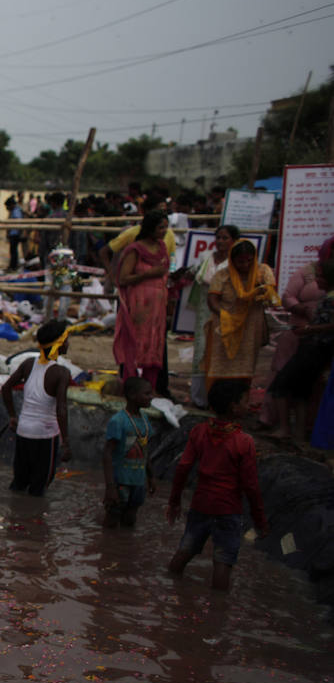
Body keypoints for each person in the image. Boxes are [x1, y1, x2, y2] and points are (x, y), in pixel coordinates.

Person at [166, 379, 268, 591]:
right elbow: (250, 485)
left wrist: (174, 501)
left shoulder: (199, 431)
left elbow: (183, 467)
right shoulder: (244, 441)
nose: (248, 406)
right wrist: (260, 521)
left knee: (185, 551)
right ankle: (217, 612)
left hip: (201, 505)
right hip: (228, 510)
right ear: (234, 405)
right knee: (223, 561)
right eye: (245, 401)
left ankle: (167, 589)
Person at [261, 235, 334, 427]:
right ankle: (271, 419)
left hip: (318, 340)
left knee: (310, 384)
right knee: (281, 372)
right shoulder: (307, 271)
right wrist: (302, 310)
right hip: (298, 331)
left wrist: (312, 327)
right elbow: (287, 297)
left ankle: (307, 426)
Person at [2, 319, 73, 497]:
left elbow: (5, 388)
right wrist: (66, 442)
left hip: (23, 431)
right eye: (66, 340)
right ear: (59, 344)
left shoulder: (28, 364)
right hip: (45, 436)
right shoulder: (61, 373)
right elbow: (61, 409)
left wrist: (12, 416)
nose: (68, 344)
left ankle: (15, 517)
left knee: (19, 482)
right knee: (39, 486)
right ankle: (32, 520)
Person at [111, 209, 172, 392]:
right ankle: (131, 387)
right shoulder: (135, 250)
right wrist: (149, 274)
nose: (164, 231)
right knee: (135, 342)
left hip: (157, 307)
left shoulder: (162, 247)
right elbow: (123, 279)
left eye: (166, 227)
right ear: (151, 228)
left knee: (154, 344)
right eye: (161, 227)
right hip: (139, 305)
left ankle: (149, 388)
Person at [204, 238, 275, 390]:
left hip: (251, 327)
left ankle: (240, 403)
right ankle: (219, 404)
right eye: (240, 262)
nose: (245, 265)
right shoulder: (222, 275)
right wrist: (224, 315)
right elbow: (212, 300)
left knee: (246, 366)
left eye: (249, 261)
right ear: (232, 260)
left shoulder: (262, 272)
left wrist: (263, 291)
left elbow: (272, 296)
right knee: (220, 366)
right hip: (225, 327)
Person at [185, 224, 239, 407]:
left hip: (225, 313)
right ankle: (200, 398)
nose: (221, 241)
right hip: (204, 312)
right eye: (219, 238)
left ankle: (219, 399)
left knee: (221, 353)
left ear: (234, 241)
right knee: (201, 351)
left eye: (225, 238)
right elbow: (194, 272)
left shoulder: (237, 262)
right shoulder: (206, 257)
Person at [102, 376, 156, 528]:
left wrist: (151, 477)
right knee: (112, 521)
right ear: (132, 395)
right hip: (120, 483)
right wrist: (110, 487)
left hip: (138, 482)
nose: (151, 397)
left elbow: (146, 451)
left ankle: (122, 549)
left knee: (130, 520)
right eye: (147, 394)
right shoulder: (118, 421)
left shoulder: (145, 420)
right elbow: (107, 454)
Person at [5, 196, 23, 271]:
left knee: (13, 251)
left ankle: (13, 266)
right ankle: (13, 265)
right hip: (13, 233)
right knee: (13, 251)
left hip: (15, 233)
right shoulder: (14, 210)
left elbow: (16, 221)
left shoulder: (16, 211)